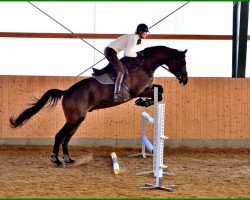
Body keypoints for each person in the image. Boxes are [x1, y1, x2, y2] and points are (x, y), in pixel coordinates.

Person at [103, 23, 149, 102]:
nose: (147, 34)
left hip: (111, 51)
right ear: (141, 32)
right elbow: (127, 53)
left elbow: (128, 53)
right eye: (146, 32)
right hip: (110, 52)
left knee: (121, 69)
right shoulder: (134, 37)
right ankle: (117, 95)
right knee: (121, 71)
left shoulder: (134, 37)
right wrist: (137, 54)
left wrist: (136, 54)